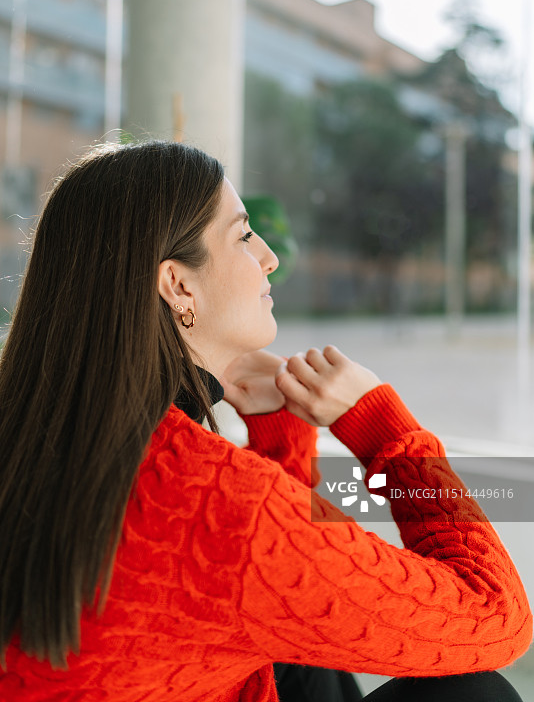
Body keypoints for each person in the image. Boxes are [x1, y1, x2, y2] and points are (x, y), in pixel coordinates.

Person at [0, 139, 530, 702]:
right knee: (475, 694)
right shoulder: (211, 498)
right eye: (244, 235)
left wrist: (279, 431)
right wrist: (385, 432)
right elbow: (496, 613)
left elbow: (273, 584)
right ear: (178, 285)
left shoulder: (36, 431)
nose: (269, 256)